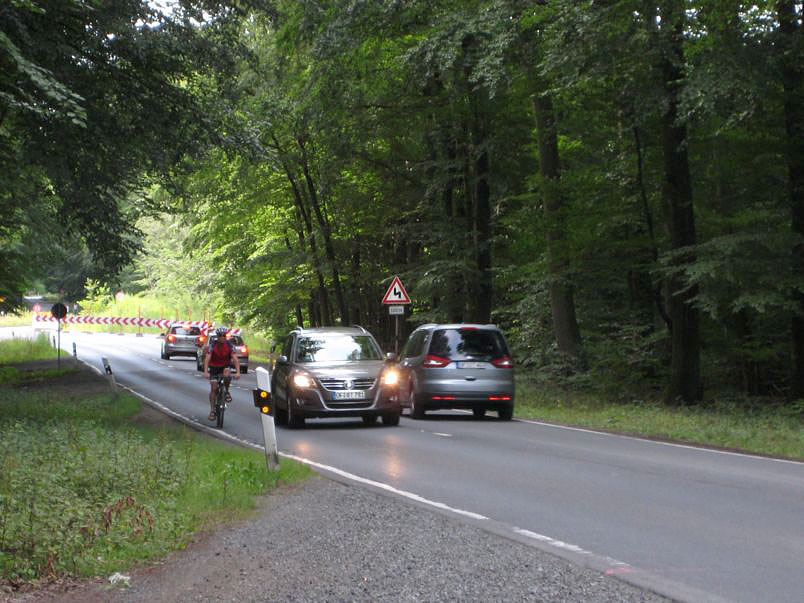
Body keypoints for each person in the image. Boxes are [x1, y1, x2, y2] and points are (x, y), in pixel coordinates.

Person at [203, 326, 240, 421]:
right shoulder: (212, 344)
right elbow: (207, 358)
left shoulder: (229, 345)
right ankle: (212, 410)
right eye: (220, 336)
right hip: (214, 367)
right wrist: (206, 372)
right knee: (214, 388)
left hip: (225, 366)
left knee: (227, 373)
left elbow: (235, 359)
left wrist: (238, 372)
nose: (222, 337)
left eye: (224, 335)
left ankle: (226, 391)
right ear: (217, 336)